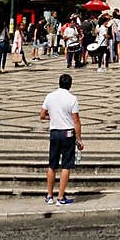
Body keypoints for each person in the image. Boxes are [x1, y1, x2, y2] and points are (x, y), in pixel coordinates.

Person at [39, 72, 83, 205]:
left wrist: (53, 117)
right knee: (66, 165)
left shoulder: (50, 96)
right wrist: (79, 139)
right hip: (67, 133)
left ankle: (49, 195)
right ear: (70, 85)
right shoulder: (72, 99)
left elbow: (42, 115)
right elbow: (76, 121)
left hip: (54, 132)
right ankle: (61, 197)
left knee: (52, 165)